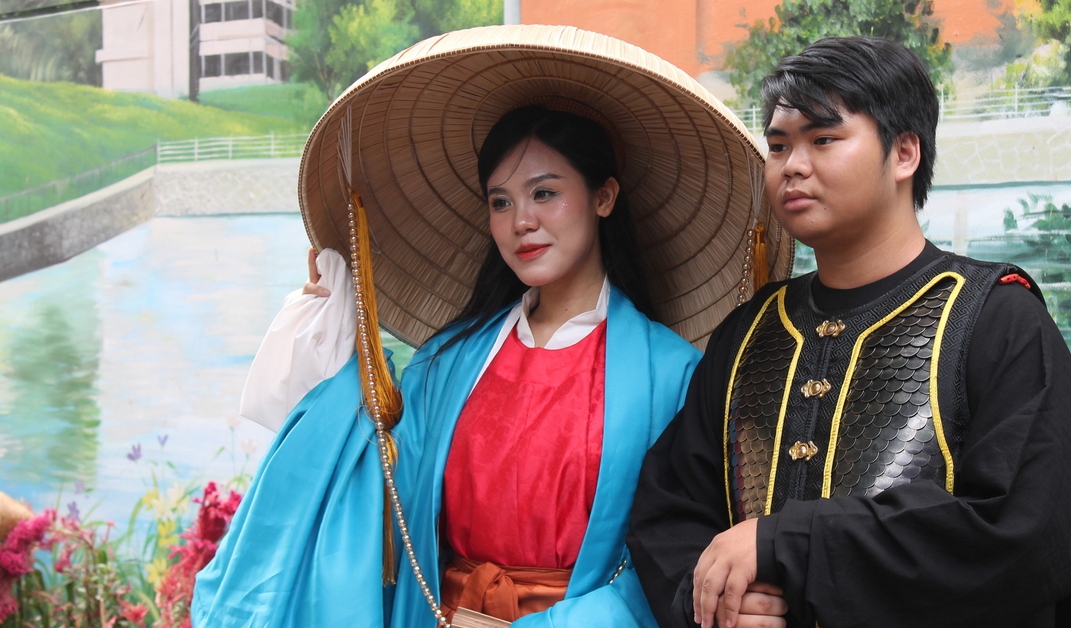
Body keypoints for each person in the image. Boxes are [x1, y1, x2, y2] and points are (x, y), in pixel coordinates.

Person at [190, 25, 791, 628]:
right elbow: (385, 501)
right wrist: (335, 366)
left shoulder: (672, 374)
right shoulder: (444, 365)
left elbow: (668, 547)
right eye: (500, 201)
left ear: (604, 196)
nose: (520, 221)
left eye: (545, 192)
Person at [627, 36, 1071, 628]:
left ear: (903, 154)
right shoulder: (749, 333)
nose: (793, 165)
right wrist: (715, 600)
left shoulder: (997, 320)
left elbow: (1026, 535)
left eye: (823, 139)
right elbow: (667, 508)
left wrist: (789, 542)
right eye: (778, 146)